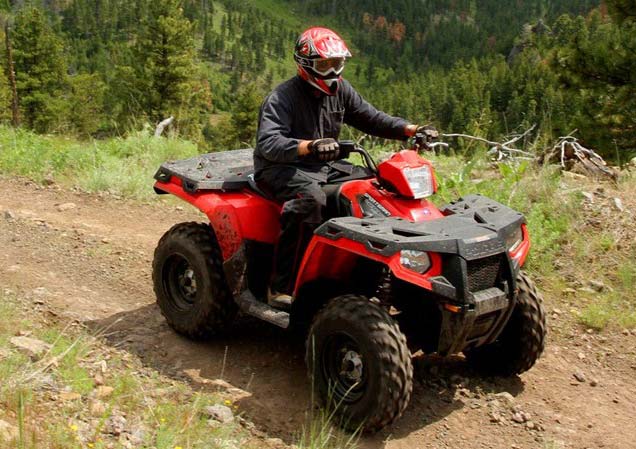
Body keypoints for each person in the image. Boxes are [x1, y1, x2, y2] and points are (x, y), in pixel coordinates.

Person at [254, 27, 438, 306]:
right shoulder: (281, 98)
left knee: (376, 190)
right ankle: (282, 287)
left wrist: (411, 130)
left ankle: (369, 269)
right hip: (280, 167)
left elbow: (371, 118)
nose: (331, 71)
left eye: (336, 64)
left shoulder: (341, 90)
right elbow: (269, 143)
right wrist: (309, 146)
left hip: (325, 165)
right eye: (324, 64)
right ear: (305, 65)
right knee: (310, 201)